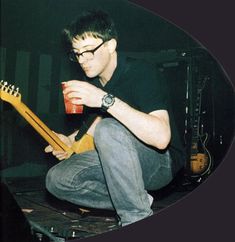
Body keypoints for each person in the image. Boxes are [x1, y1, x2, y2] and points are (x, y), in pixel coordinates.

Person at [45, 9, 185, 227]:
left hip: (161, 163)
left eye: (88, 50)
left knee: (109, 129)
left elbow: (161, 138)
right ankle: (136, 201)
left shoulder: (141, 72)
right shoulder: (91, 82)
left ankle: (135, 218)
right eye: (77, 53)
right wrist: (71, 140)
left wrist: (104, 99)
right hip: (120, 161)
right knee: (57, 180)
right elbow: (94, 126)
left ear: (110, 45)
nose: (83, 59)